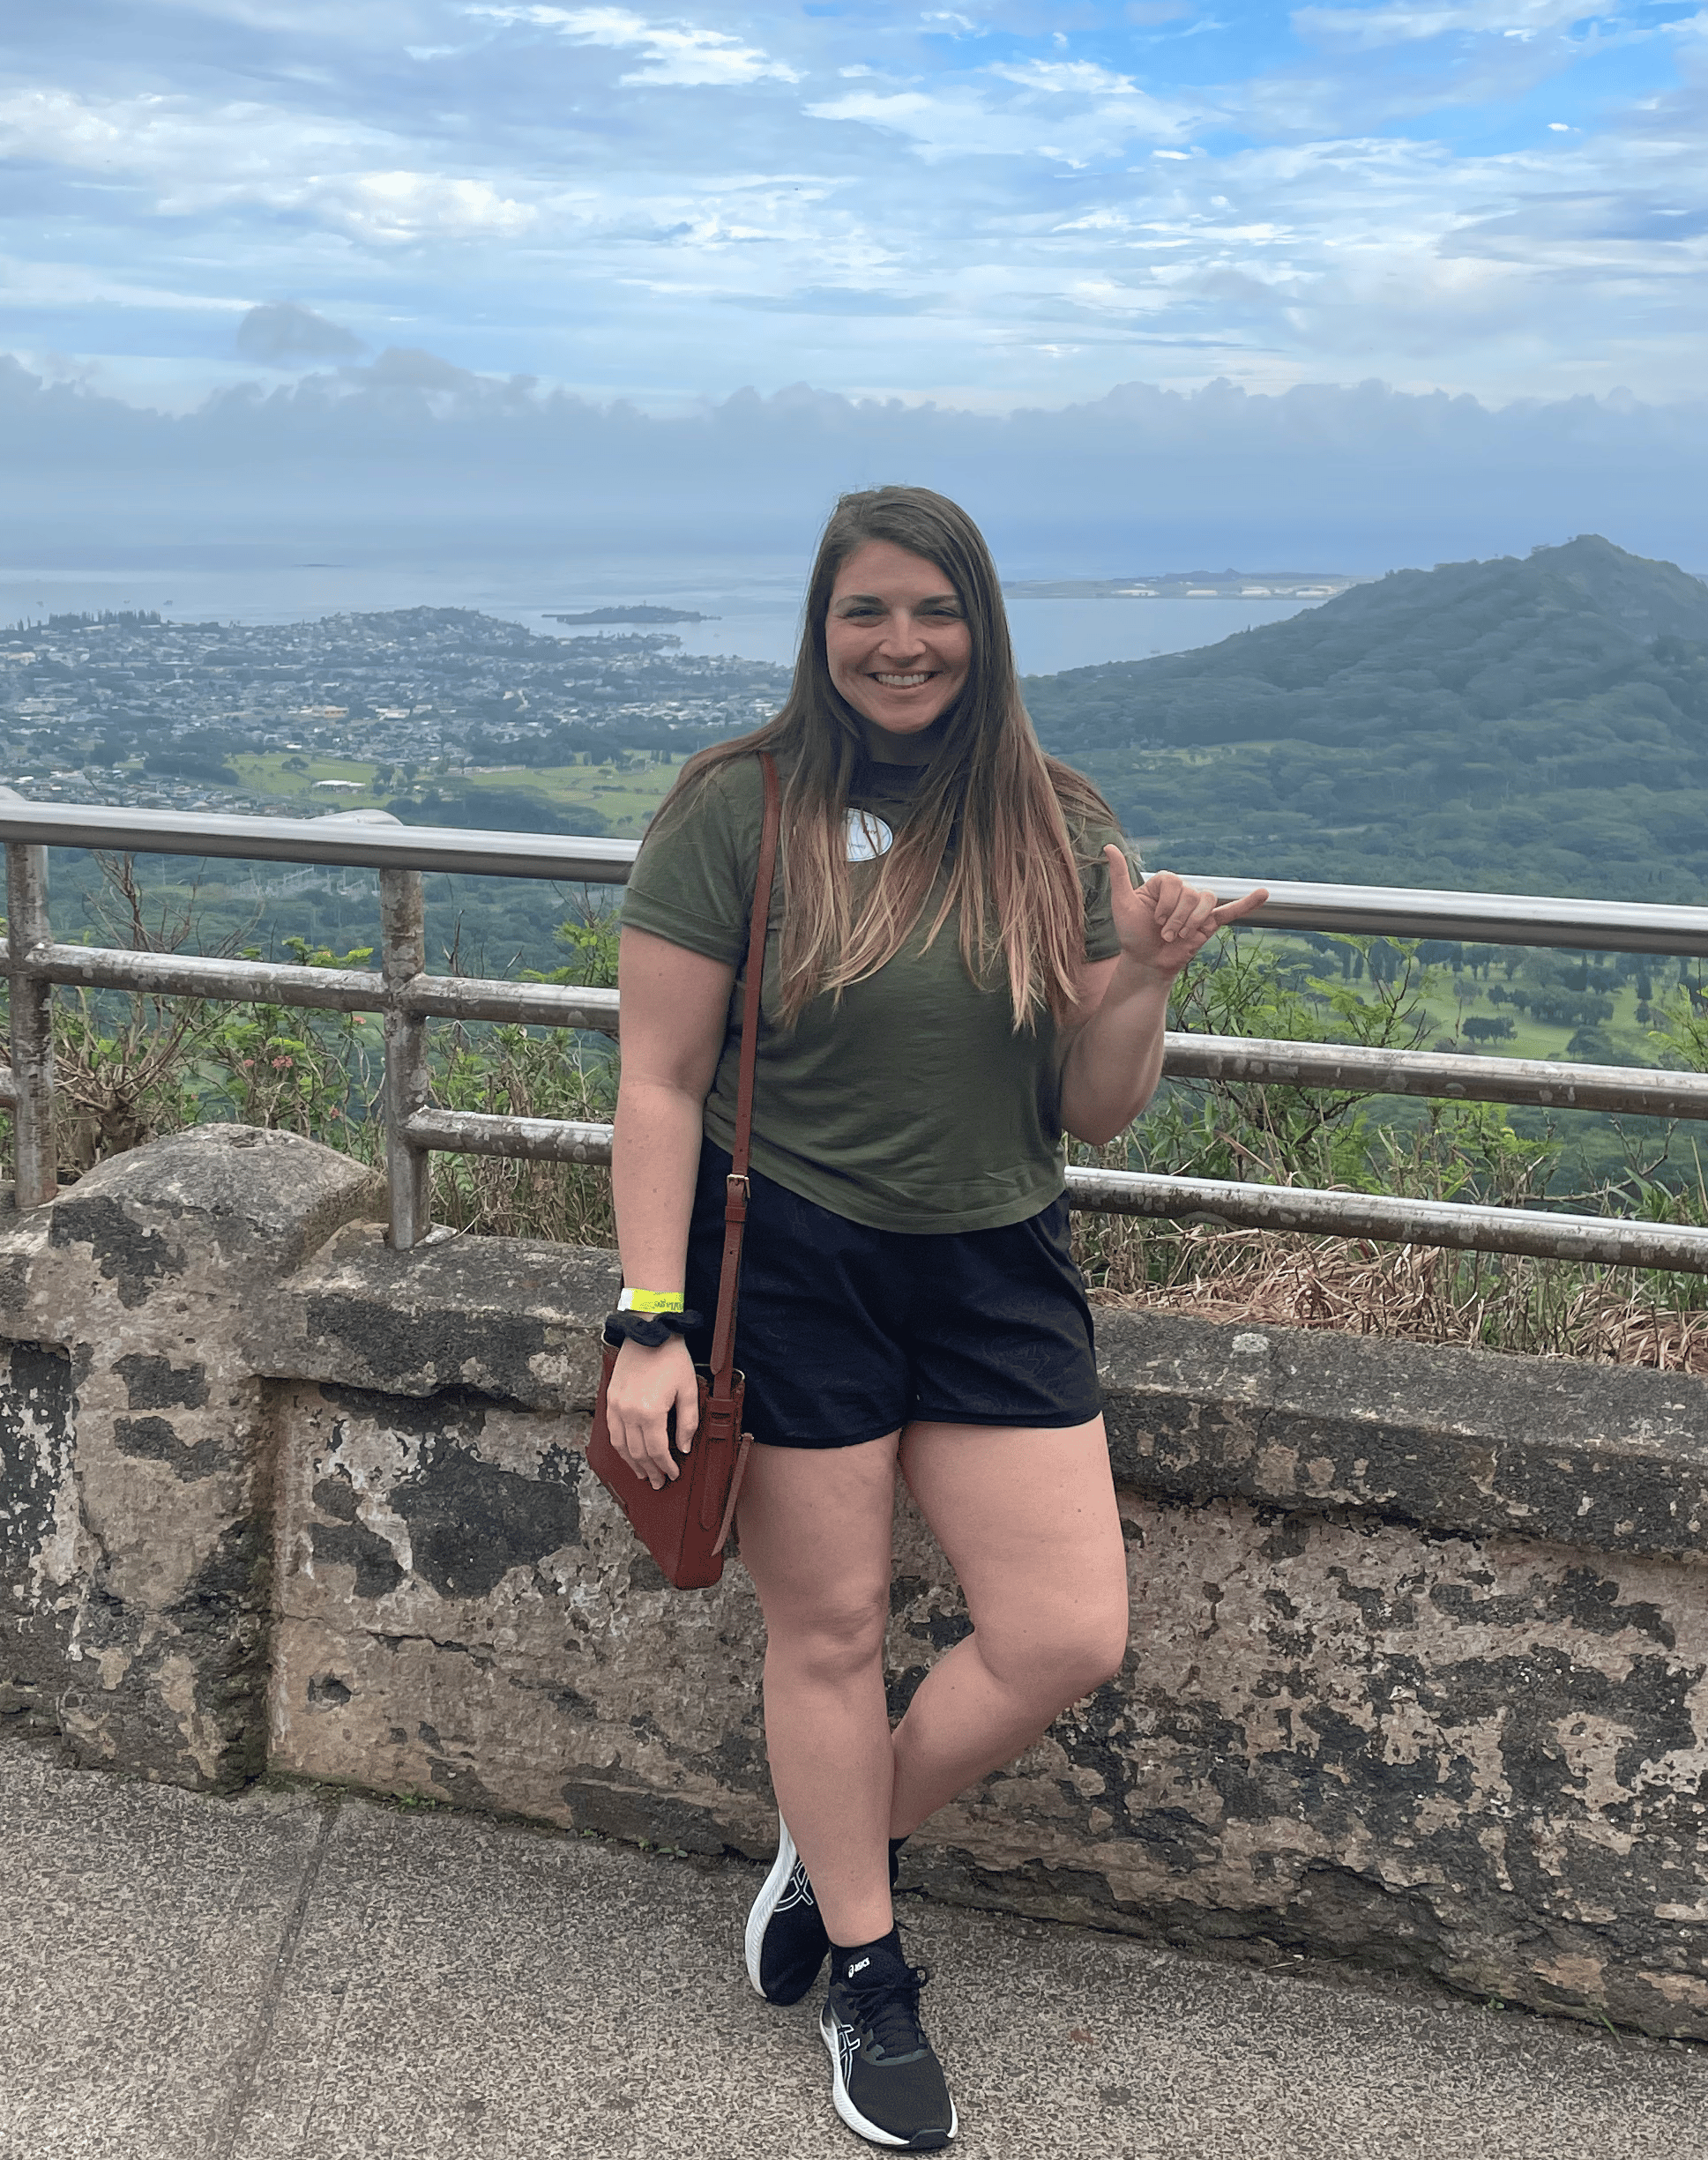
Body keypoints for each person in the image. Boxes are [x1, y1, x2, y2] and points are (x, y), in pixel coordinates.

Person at [605, 485, 1266, 2151]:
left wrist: (1152, 980)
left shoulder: (1051, 816)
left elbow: (1090, 1108)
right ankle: (870, 1966)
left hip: (995, 1259)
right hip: (792, 1261)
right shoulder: (733, 810)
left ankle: (827, 1849)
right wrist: (649, 1319)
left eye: (933, 611)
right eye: (866, 613)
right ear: (819, 631)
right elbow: (659, 1081)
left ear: (982, 627)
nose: (901, 644)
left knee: (1062, 1632)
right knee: (823, 1635)